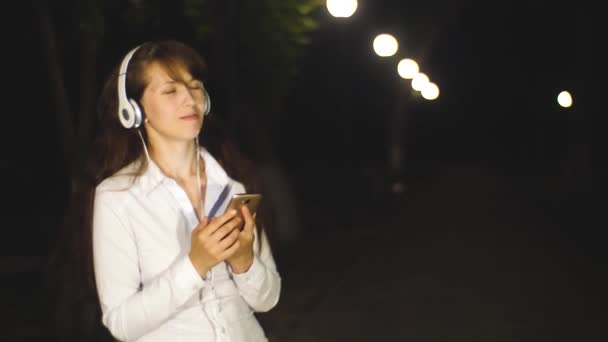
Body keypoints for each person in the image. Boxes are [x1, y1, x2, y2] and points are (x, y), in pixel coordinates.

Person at [80, 40, 281, 341]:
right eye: (171, 90)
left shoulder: (232, 186)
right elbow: (121, 323)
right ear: (133, 110)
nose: (190, 99)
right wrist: (195, 264)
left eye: (195, 86)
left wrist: (243, 262)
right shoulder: (117, 197)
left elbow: (268, 299)